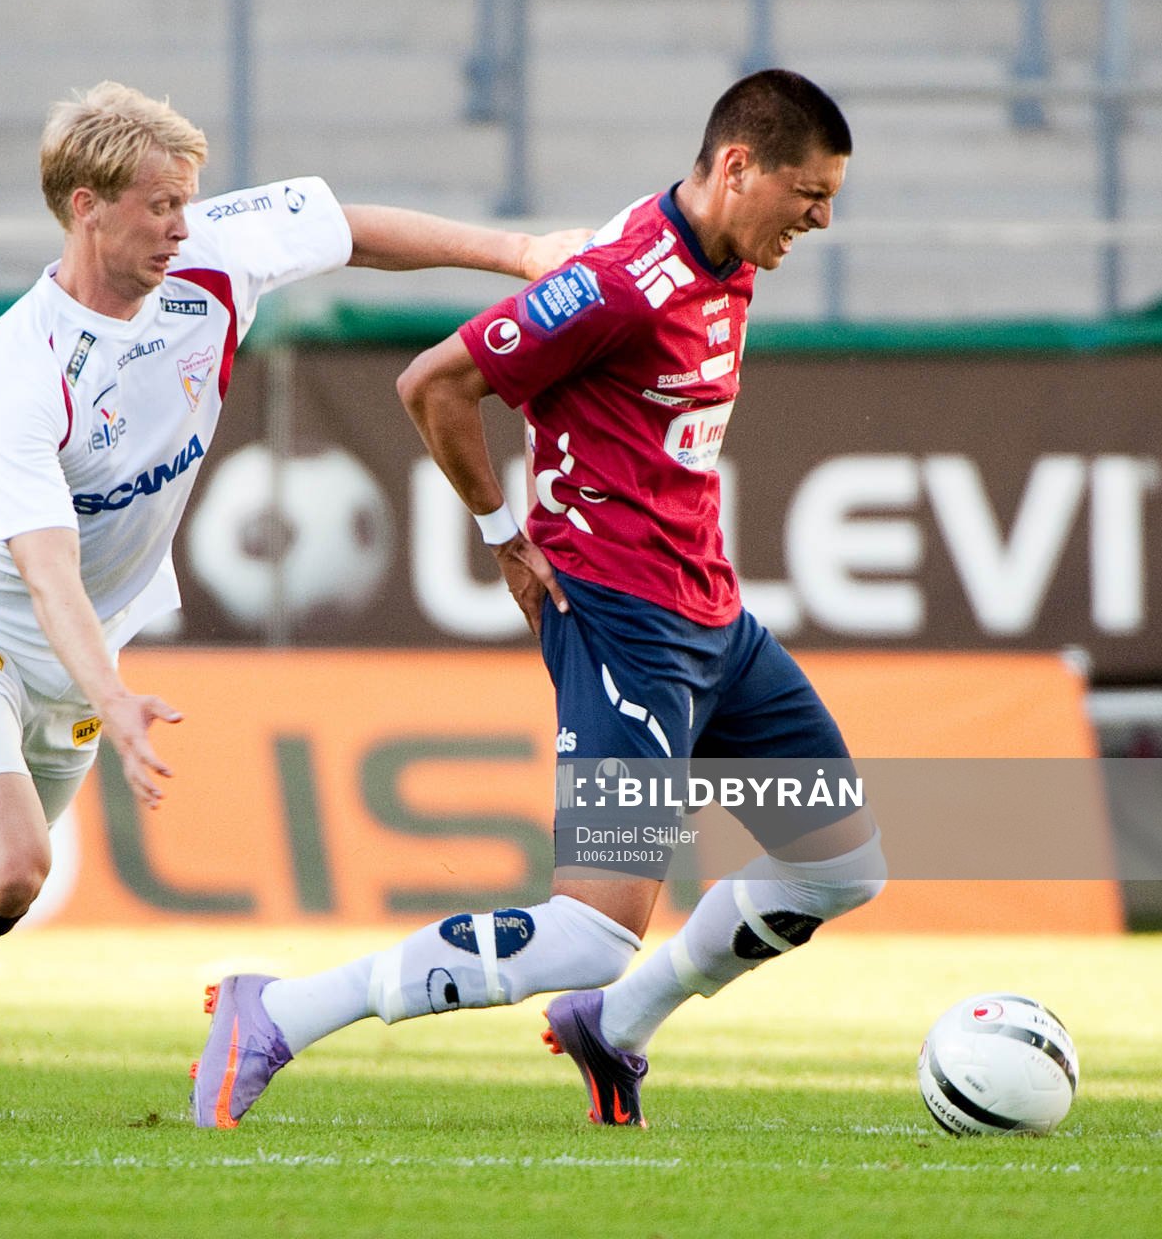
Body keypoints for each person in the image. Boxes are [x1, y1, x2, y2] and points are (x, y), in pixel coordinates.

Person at [0, 80, 587, 1117]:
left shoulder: (209, 258)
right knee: (14, 862)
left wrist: (519, 254)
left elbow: (347, 227)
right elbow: (44, 565)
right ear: (84, 204)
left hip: (86, 635)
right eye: (157, 204)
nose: (178, 224)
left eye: (186, 200)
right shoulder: (20, 364)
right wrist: (109, 694)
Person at [191, 69, 887, 1130]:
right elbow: (433, 382)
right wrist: (501, 535)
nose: (823, 218)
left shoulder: (723, 250)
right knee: (585, 933)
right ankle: (276, 1010)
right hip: (622, 625)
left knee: (839, 865)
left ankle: (614, 1023)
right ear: (739, 166)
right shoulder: (620, 284)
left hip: (716, 626)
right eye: (812, 192)